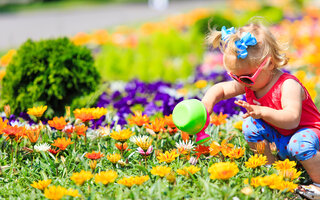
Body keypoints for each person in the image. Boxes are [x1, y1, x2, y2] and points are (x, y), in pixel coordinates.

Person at [201, 23, 320, 199]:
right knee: (250, 125)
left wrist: (262, 111)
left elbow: (292, 119)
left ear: (269, 64)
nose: (241, 82)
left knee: (298, 144)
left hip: (307, 134)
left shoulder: (288, 85)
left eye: (246, 77)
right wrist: (207, 103)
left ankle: (317, 183)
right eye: (235, 77)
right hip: (283, 137)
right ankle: (271, 172)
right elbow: (222, 90)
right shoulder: (252, 82)